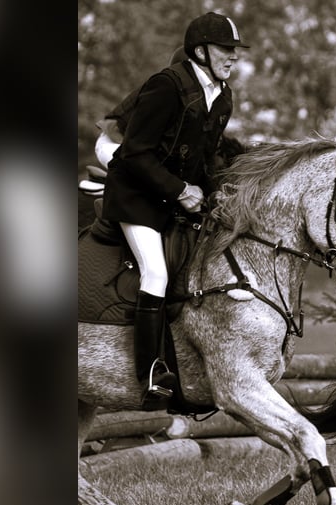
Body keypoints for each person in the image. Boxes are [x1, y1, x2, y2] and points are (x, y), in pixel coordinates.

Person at [101, 12, 249, 400]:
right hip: (135, 196)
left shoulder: (223, 97)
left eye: (236, 51)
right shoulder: (167, 86)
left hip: (169, 196)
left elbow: (206, 156)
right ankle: (151, 374)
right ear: (201, 51)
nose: (234, 57)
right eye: (226, 50)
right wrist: (181, 189)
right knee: (156, 274)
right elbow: (133, 154)